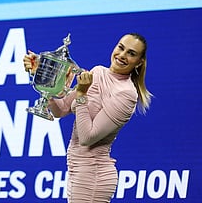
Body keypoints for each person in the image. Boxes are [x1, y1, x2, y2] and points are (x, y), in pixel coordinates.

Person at [23, 33, 152, 203]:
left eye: (131, 53)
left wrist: (82, 94)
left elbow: (87, 137)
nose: (122, 55)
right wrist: (46, 81)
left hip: (93, 176)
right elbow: (60, 110)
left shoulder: (126, 94)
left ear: (139, 62)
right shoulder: (98, 71)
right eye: (121, 48)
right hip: (77, 170)